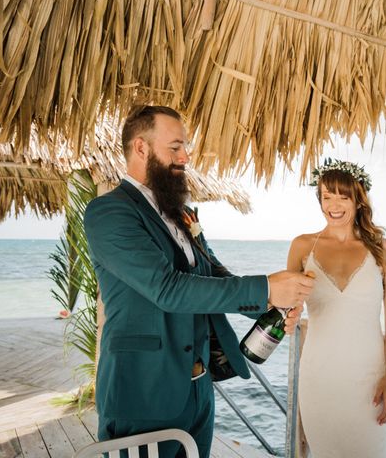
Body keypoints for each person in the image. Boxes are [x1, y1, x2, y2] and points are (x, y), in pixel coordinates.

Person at [83, 105, 313, 458]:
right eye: (175, 147)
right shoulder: (109, 212)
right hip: (144, 390)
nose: (185, 156)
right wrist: (266, 286)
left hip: (199, 392)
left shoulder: (181, 213)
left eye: (185, 147)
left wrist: (270, 303)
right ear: (141, 148)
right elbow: (168, 289)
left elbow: (213, 273)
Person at [287, 159, 386, 458]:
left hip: (369, 377)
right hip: (318, 376)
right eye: (327, 196)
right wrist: (289, 312)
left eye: (343, 196)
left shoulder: (383, 249)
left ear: (358, 199)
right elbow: (287, 304)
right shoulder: (302, 246)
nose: (333, 205)